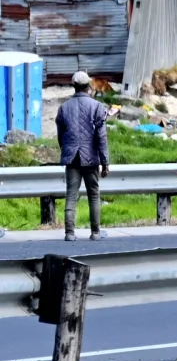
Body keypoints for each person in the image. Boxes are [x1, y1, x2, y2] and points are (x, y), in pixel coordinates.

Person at [55, 71, 110, 242]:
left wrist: (66, 151)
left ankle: (69, 233)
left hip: (72, 157)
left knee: (71, 195)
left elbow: (61, 136)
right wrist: (105, 162)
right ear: (88, 86)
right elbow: (101, 137)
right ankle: (95, 232)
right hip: (90, 158)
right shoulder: (97, 106)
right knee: (93, 195)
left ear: (74, 86)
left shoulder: (63, 108)